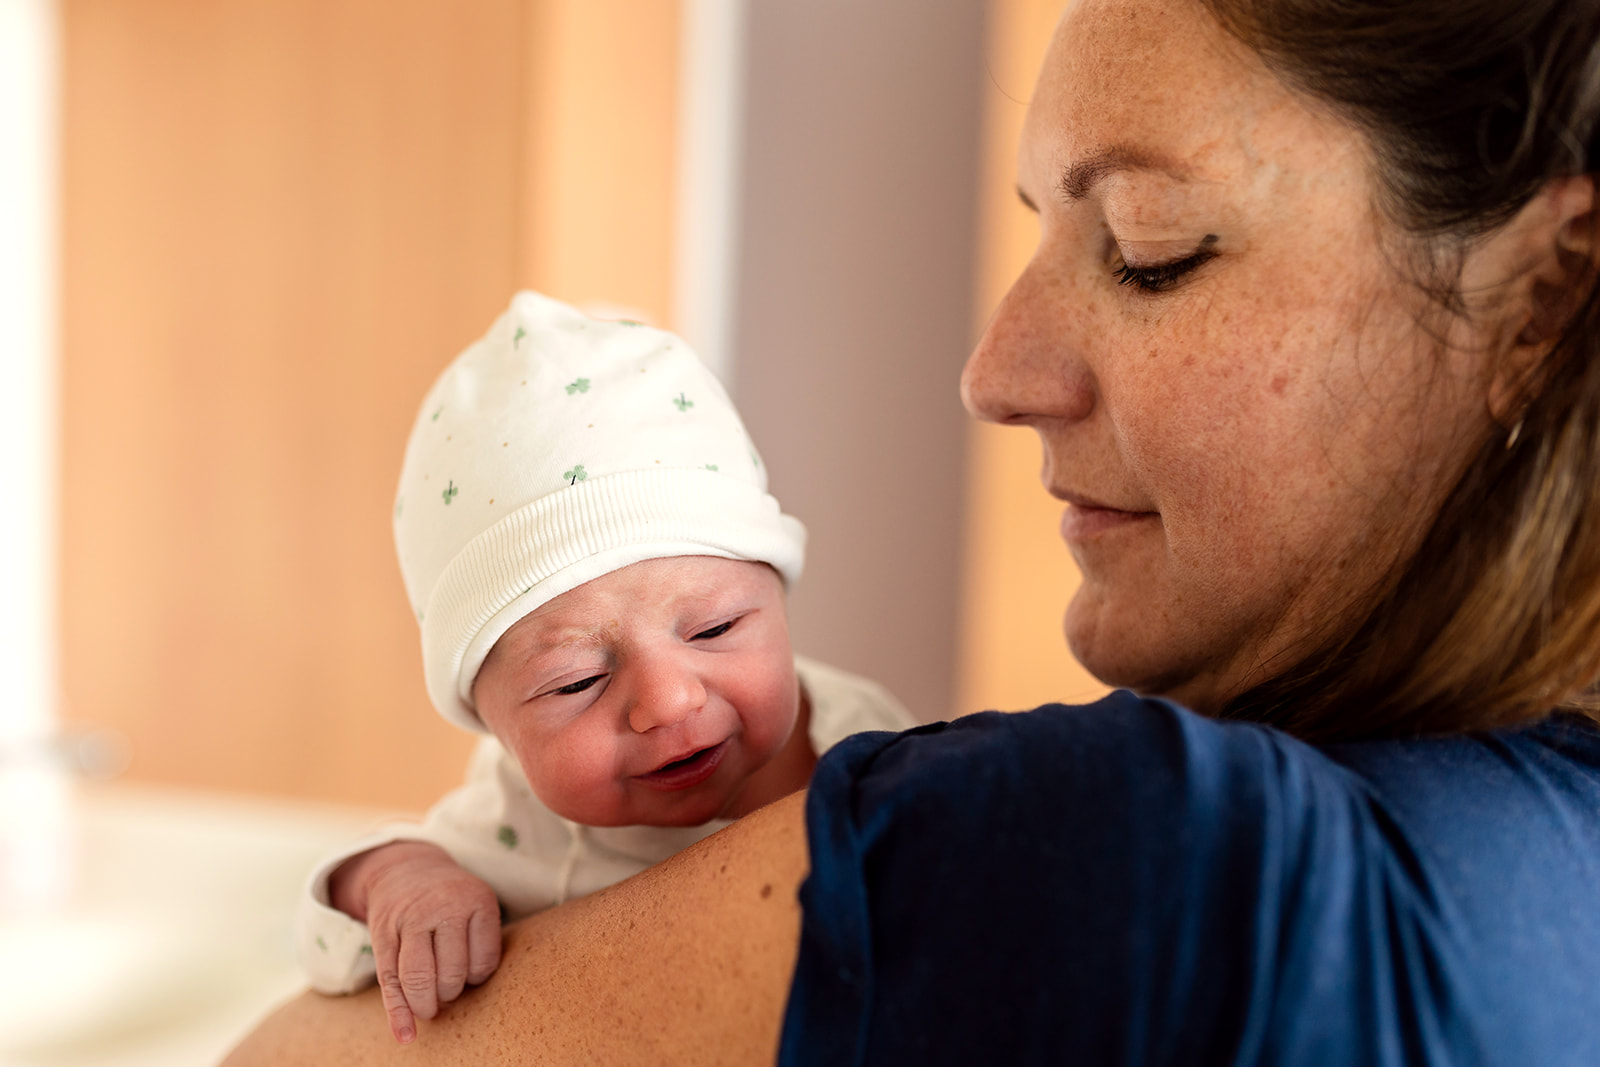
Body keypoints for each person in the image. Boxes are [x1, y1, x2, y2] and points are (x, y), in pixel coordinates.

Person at [225, 0, 1600, 1062]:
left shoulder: (1151, 854)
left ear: (1546, 299)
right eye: (574, 676)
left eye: (1148, 245)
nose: (992, 371)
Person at [291, 291, 913, 1043]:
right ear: (492, 725)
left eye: (714, 628)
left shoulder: (874, 731)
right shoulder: (519, 833)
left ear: (775, 591)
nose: (669, 699)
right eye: (577, 681)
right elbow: (328, 950)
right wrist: (394, 880)